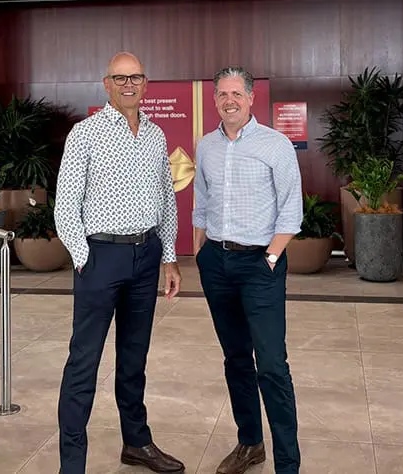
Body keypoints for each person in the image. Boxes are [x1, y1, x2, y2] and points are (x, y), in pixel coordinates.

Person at [54, 51, 185, 474]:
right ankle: (71, 465)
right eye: (120, 78)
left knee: (134, 357)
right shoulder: (85, 134)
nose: (129, 85)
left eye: (136, 78)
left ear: (146, 84)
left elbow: (167, 201)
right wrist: (82, 256)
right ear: (106, 84)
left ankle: (137, 443)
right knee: (83, 363)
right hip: (101, 258)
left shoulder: (155, 135)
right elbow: (65, 206)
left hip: (146, 258)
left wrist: (168, 257)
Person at [192, 66, 304, 474]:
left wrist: (272, 257)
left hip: (262, 264)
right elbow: (201, 200)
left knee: (272, 364)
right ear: (215, 99)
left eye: (236, 93)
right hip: (217, 264)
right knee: (236, 358)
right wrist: (200, 248)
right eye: (222, 94)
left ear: (252, 98)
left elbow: (291, 210)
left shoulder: (276, 145)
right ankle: (249, 443)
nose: (229, 100)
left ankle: (287, 463)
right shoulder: (206, 146)